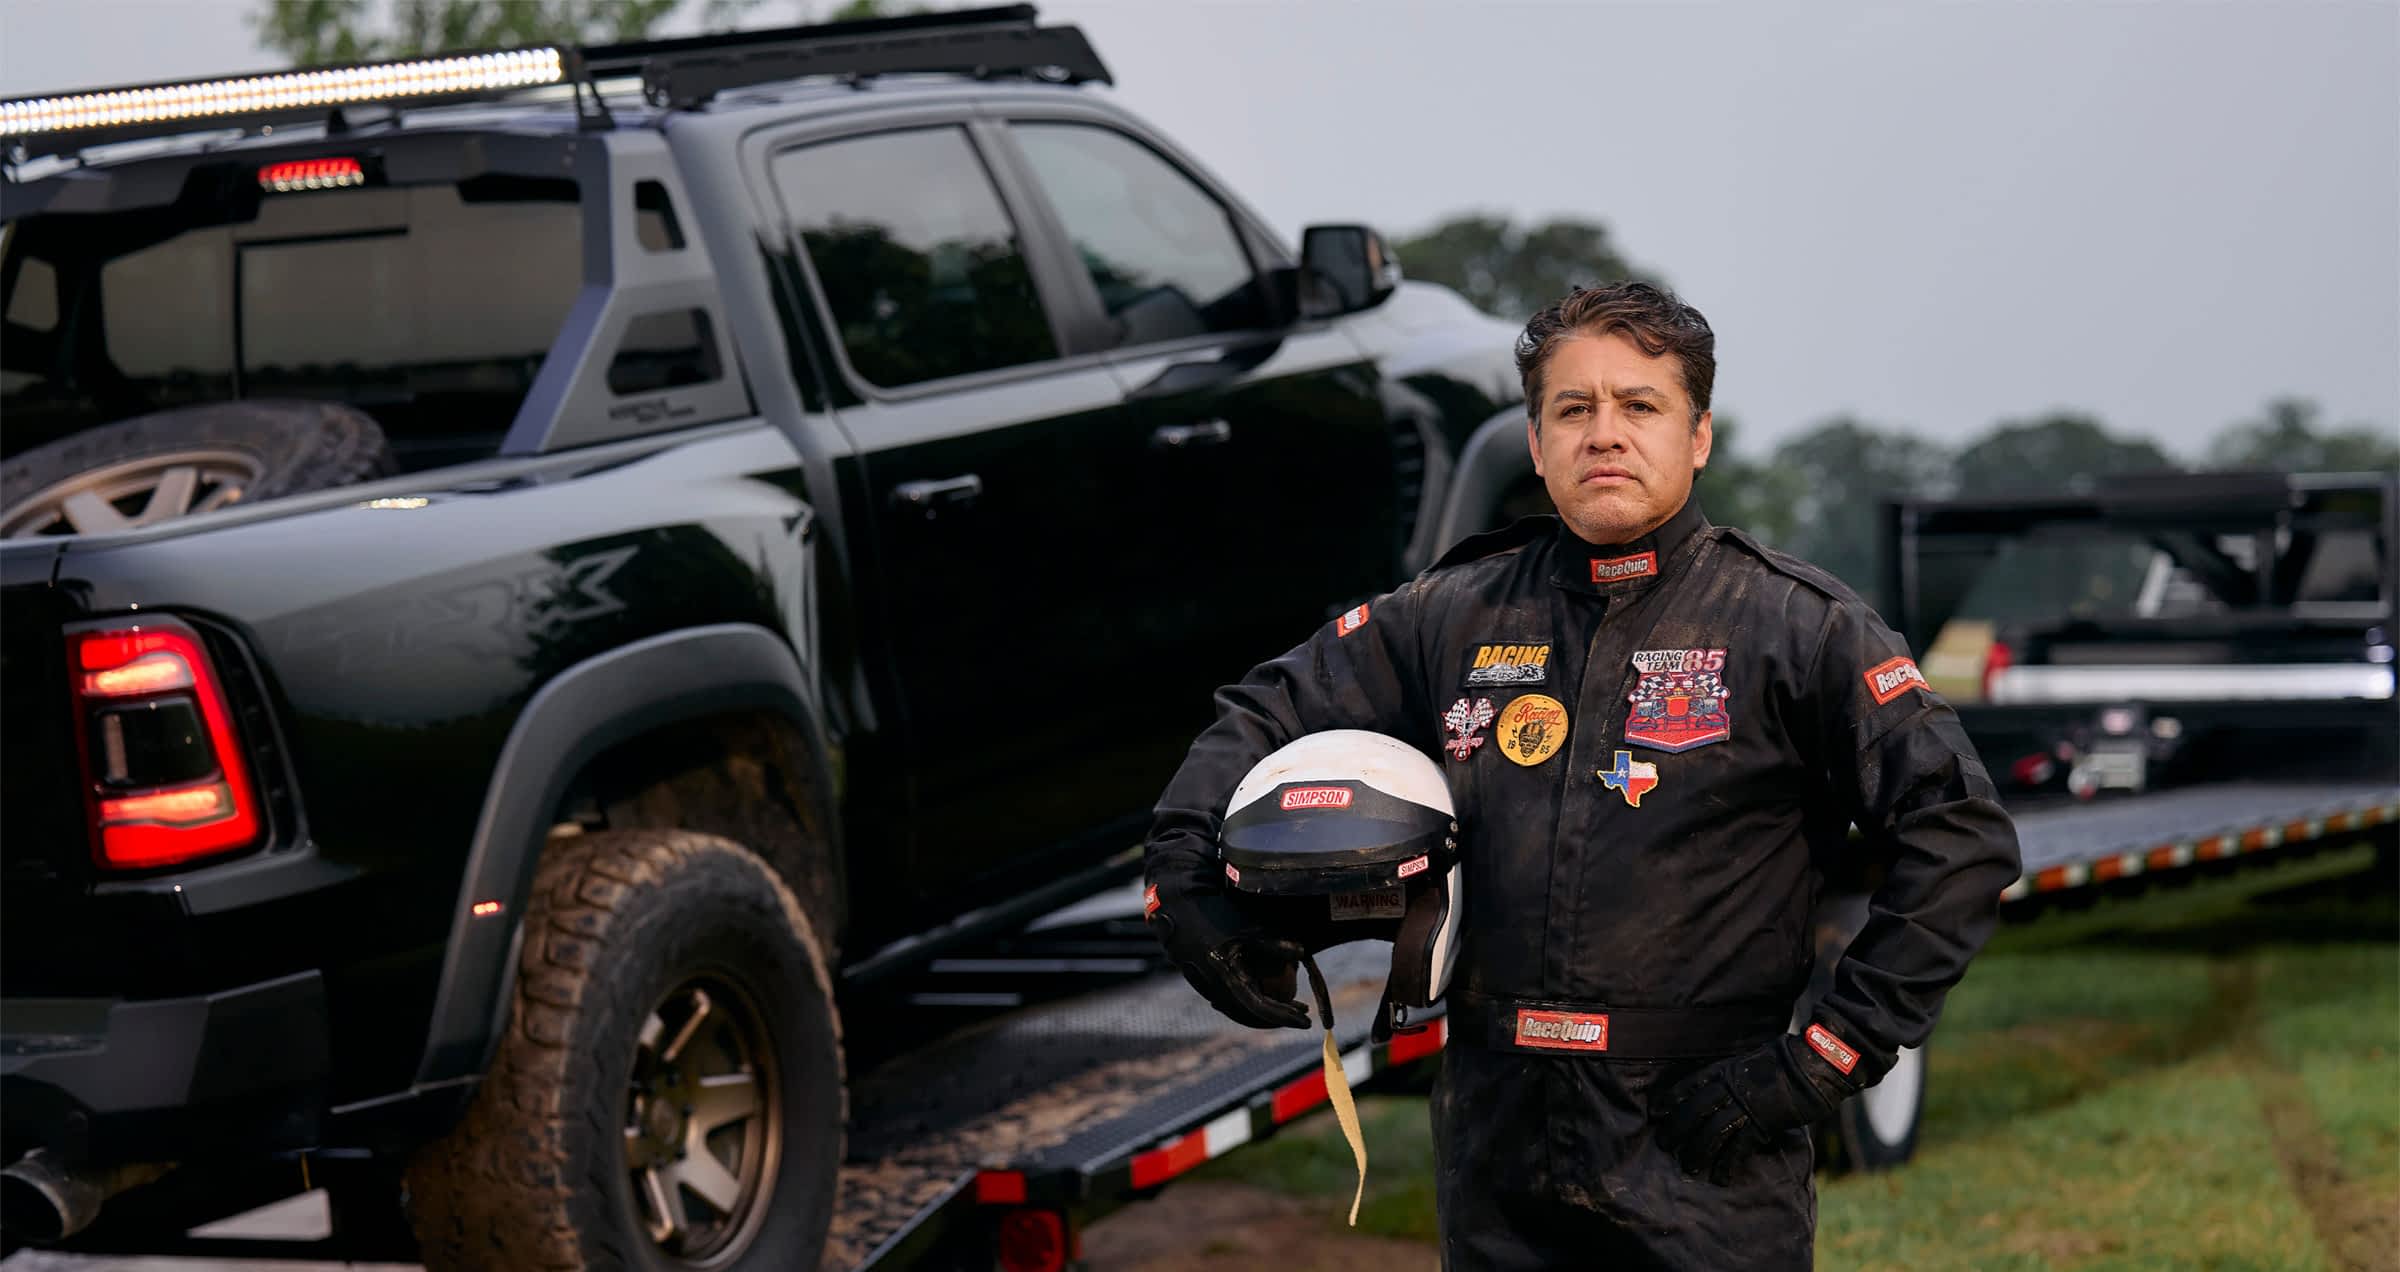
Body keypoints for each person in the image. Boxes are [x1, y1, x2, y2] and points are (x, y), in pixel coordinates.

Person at [1142, 280, 2021, 1269]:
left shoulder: (1798, 627)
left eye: (1640, 405)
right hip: (1496, 1145)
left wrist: (1825, 1058)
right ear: (1535, 442)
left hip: (1703, 1144)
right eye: (1573, 409)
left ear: (1698, 436)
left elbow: (1962, 841)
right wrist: (1184, 885)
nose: (1605, 434)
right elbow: (1265, 710)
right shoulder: (1451, 615)